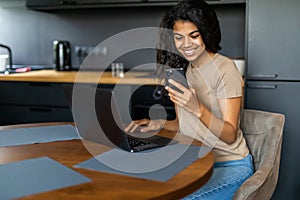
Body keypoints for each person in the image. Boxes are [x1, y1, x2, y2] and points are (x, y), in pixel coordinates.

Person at [125, 0, 254, 199]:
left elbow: (229, 134)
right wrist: (157, 124)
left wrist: (198, 108)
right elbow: (182, 125)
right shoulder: (185, 71)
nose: (186, 44)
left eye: (194, 35)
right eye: (179, 37)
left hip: (230, 164)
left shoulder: (224, 69)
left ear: (206, 33)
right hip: (198, 162)